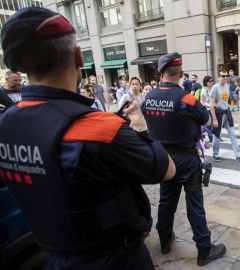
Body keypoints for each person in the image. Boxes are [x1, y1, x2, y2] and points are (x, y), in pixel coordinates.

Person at [0, 7, 176, 269]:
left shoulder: (6, 124)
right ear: (79, 57)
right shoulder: (96, 128)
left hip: (55, 257)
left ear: (18, 66)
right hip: (113, 258)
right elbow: (167, 169)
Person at [142, 52, 226, 266]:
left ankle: (164, 240)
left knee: (166, 200)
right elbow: (207, 120)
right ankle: (204, 250)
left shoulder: (148, 97)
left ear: (161, 74)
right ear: (180, 73)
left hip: (162, 158)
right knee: (194, 202)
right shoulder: (186, 98)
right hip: (186, 158)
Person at [210, 70, 240, 162]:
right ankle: (215, 154)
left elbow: (225, 101)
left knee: (233, 135)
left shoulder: (227, 87)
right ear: (218, 77)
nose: (225, 78)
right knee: (216, 135)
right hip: (218, 113)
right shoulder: (215, 87)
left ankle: (238, 155)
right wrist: (214, 119)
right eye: (223, 76)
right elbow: (212, 104)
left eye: (226, 76)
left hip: (227, 113)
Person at [201, 76, 214, 143]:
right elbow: (202, 102)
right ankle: (210, 138)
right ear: (206, 82)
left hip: (211, 108)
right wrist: (204, 110)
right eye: (210, 81)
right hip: (207, 109)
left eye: (212, 81)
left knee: (211, 124)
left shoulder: (211, 89)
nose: (211, 82)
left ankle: (211, 137)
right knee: (209, 124)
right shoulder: (204, 90)